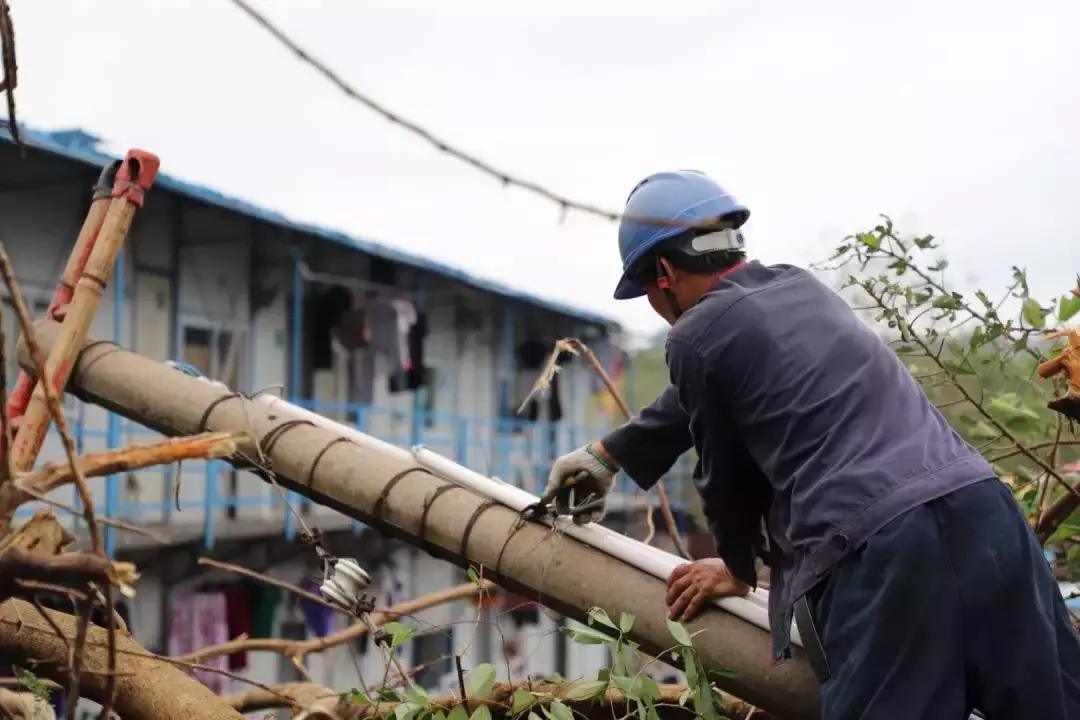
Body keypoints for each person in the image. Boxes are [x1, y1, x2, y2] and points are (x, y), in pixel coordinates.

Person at [542, 170, 1080, 719]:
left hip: (882, 546)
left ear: (663, 272)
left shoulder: (694, 335)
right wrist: (609, 456)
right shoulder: (800, 288)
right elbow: (710, 387)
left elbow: (725, 480)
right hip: (984, 508)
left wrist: (738, 567)